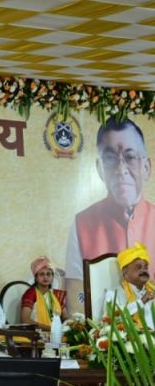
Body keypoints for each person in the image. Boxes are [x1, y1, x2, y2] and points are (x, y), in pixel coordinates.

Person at [65, 119, 155, 314]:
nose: (121, 170)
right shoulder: (81, 224)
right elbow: (76, 298)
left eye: (130, 157)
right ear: (100, 168)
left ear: (146, 167)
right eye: (110, 159)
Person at [107, 242, 155, 329]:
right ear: (125, 272)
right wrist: (142, 301)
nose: (144, 271)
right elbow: (114, 318)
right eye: (138, 267)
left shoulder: (152, 289)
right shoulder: (113, 294)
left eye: (146, 267)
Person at [20, 256, 68, 329]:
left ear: (52, 277)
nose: (45, 277)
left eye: (48, 274)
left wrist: (70, 325)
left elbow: (65, 317)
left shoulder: (57, 294)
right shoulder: (31, 293)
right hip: (36, 333)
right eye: (41, 274)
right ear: (36, 278)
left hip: (56, 332)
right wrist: (48, 328)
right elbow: (25, 320)